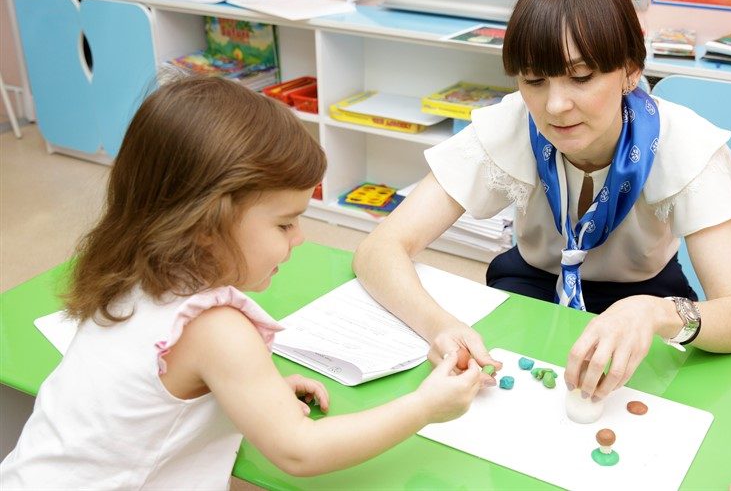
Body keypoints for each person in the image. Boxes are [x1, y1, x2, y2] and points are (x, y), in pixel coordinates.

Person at [0, 76, 483, 488]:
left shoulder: (127, 271)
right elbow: (300, 451)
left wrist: (248, 392)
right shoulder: (216, 328)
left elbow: (147, 391)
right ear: (206, 224)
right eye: (284, 224)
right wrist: (425, 406)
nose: (299, 238)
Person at [353, 0, 731, 402]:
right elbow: (379, 248)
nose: (554, 106)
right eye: (534, 80)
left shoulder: (684, 143)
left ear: (630, 70)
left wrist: (656, 313)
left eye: (581, 77)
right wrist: (440, 327)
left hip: (646, 295)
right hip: (534, 281)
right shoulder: (509, 124)